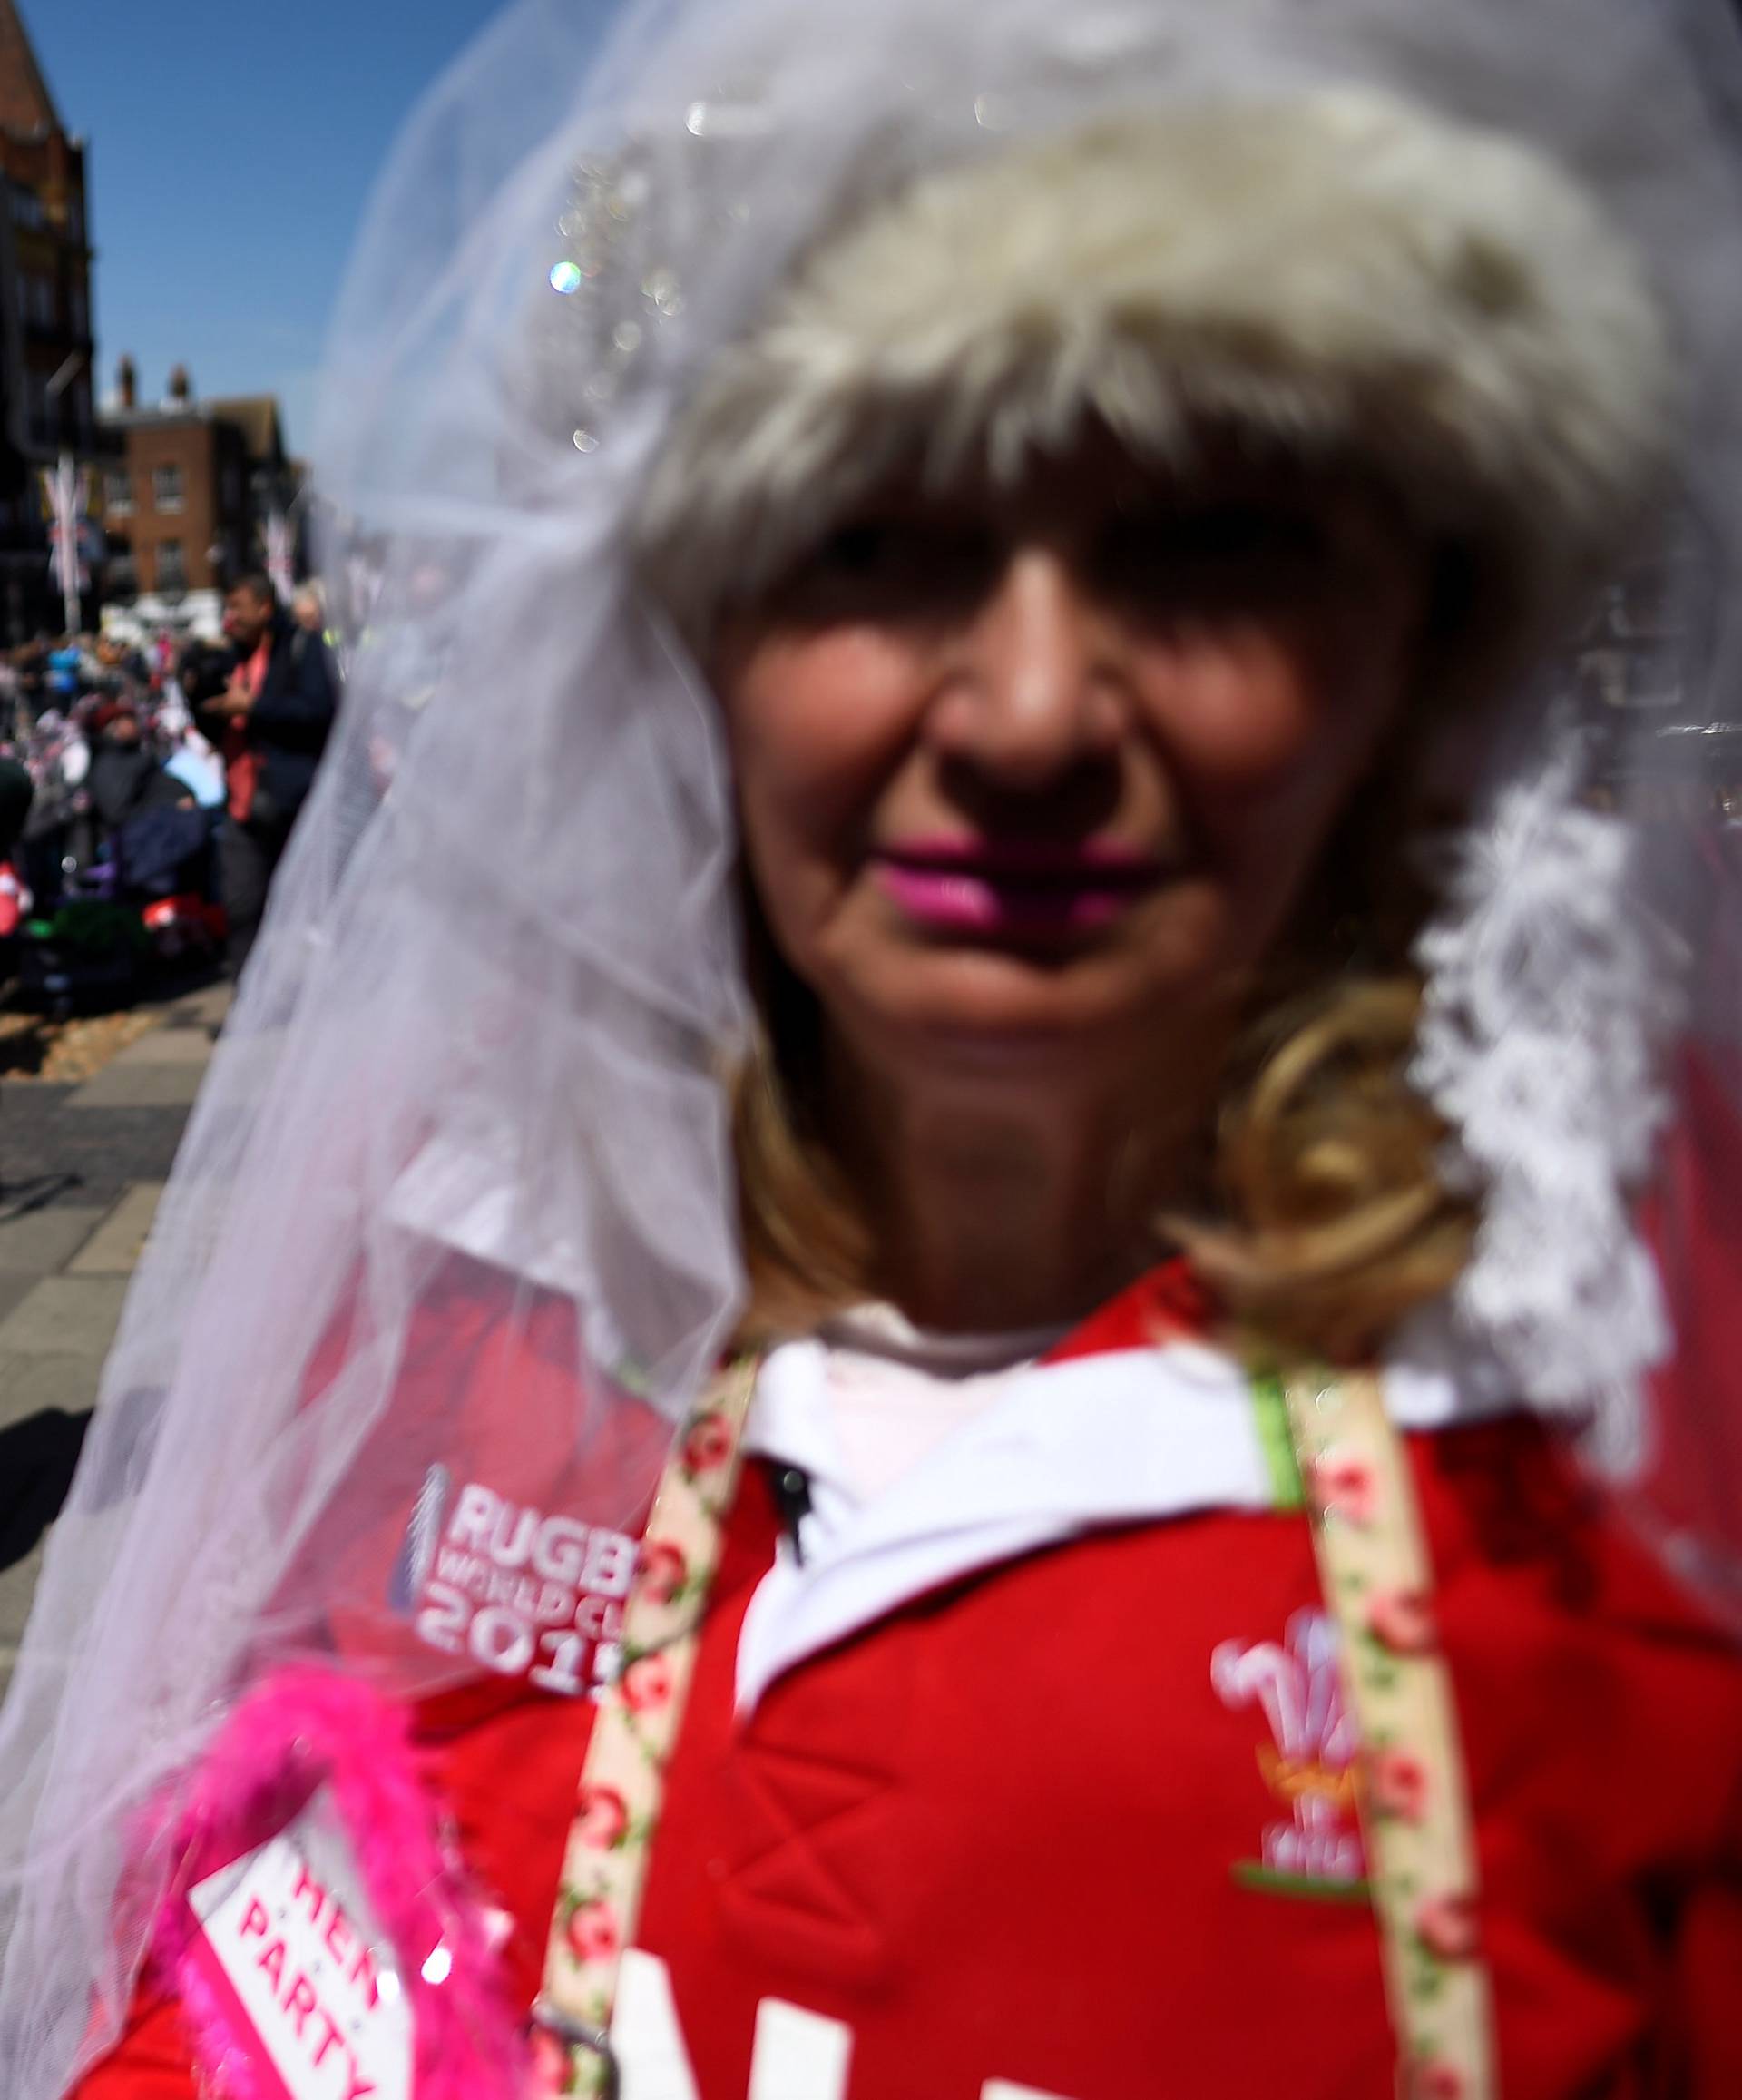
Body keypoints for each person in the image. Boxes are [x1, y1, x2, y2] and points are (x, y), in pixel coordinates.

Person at [5, 3, 1742, 2097]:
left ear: (1409, 651)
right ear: (698, 645)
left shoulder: (1589, 1489)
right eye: (876, 542)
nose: (1025, 711)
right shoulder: (499, 1330)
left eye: (1197, 543)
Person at [201, 572, 339, 971]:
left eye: (237, 608)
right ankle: (249, 999)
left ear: (264, 607)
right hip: (243, 802)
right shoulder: (231, 657)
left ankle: (313, 995)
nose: (231, 618)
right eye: (227, 609)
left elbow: (320, 711)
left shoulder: (303, 647)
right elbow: (217, 718)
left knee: (308, 905)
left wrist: (254, 708)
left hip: (291, 800)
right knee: (241, 904)